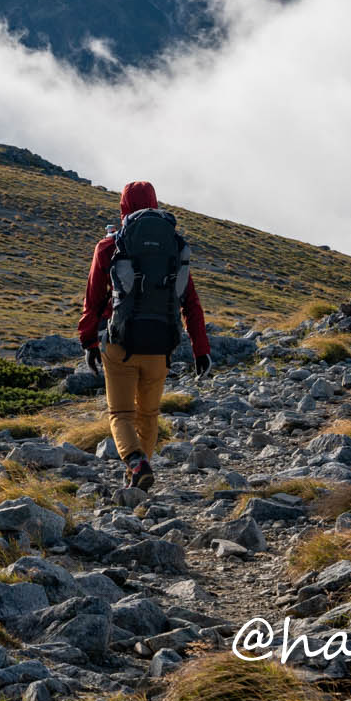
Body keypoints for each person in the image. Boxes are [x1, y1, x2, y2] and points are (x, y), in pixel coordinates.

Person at [75, 180, 211, 493]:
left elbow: (92, 301)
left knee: (121, 414)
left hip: (120, 345)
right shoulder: (174, 246)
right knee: (148, 415)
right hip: (161, 346)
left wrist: (88, 342)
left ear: (123, 207)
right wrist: (201, 349)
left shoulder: (109, 246)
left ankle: (136, 464)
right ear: (155, 203)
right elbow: (190, 303)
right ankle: (138, 479)